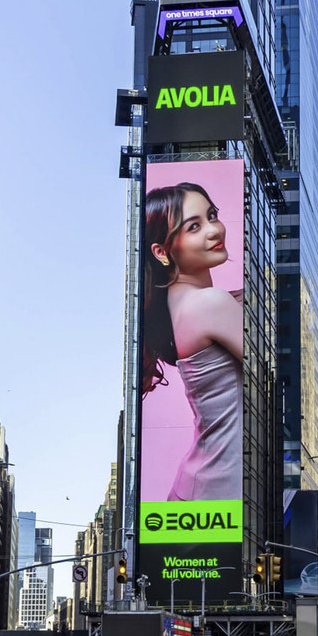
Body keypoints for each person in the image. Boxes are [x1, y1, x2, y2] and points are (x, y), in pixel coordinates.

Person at [143, 181, 243, 501]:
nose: (214, 230)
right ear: (161, 251)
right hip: (218, 494)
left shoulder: (179, 302)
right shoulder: (209, 304)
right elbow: (276, 373)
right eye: (194, 226)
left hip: (200, 490)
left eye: (212, 215)